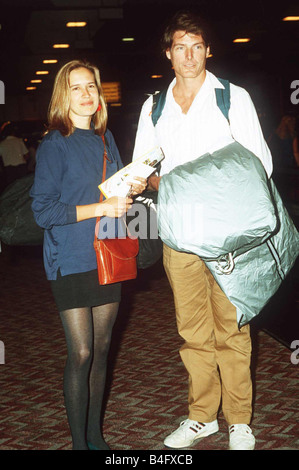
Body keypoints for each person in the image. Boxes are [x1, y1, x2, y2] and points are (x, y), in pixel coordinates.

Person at [132, 10, 273, 450]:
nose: (189, 56)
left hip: (229, 232)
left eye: (197, 47)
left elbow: (261, 164)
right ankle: (201, 416)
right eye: (180, 47)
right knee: (192, 331)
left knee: (232, 327)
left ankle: (240, 421)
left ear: (208, 50)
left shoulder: (234, 98)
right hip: (181, 233)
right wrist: (150, 181)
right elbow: (144, 166)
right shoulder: (154, 106)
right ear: (168, 53)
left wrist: (211, 184)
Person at [30, 60, 146, 450]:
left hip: (106, 253)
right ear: (63, 96)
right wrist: (101, 208)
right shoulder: (54, 144)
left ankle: (95, 437)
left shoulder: (104, 138)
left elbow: (113, 194)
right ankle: (78, 443)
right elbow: (43, 211)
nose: (86, 95)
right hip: (70, 257)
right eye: (76, 88)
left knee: (101, 349)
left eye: (91, 87)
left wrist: (130, 189)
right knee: (80, 352)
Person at [0, 121, 29, 189]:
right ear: (13, 132)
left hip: (10, 169)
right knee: (23, 188)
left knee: (12, 188)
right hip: (21, 167)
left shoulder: (2, 144)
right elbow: (27, 155)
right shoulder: (19, 141)